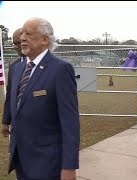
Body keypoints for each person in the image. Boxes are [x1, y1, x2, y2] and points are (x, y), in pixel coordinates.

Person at [2, 17, 80, 180]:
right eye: (22, 33)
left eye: (28, 34)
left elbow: (70, 123)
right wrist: (5, 121)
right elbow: (14, 101)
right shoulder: (18, 69)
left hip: (47, 162)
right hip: (21, 157)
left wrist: (69, 166)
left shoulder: (60, 70)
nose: (22, 37)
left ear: (45, 39)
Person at [1, 28, 26, 138]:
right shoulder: (14, 67)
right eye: (14, 43)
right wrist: (6, 121)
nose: (15, 47)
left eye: (18, 43)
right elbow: (10, 94)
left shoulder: (48, 66)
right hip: (18, 123)